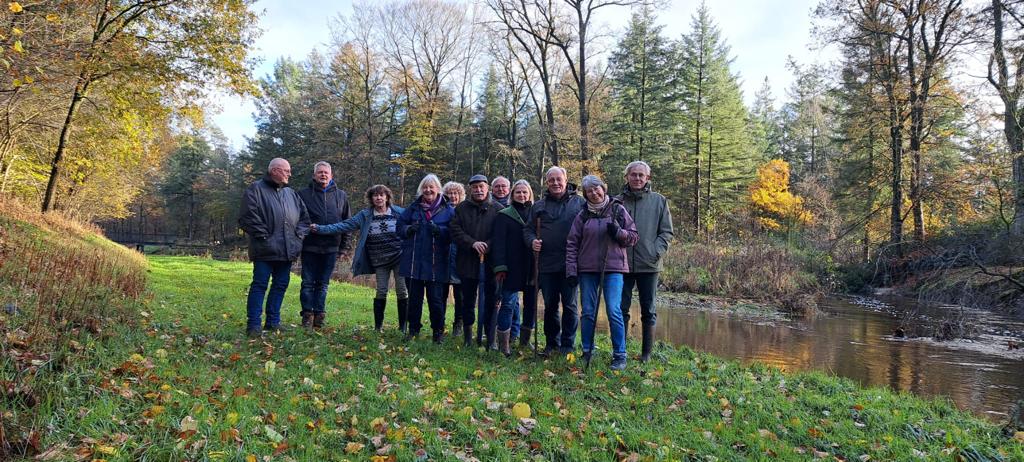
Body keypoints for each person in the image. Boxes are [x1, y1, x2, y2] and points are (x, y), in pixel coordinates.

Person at [310, 184, 408, 333]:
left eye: (382, 195)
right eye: (375, 195)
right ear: (371, 198)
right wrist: (320, 228)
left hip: (399, 258)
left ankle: (403, 327)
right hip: (380, 260)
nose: (379, 198)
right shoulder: (365, 215)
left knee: (402, 291)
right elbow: (343, 225)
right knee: (381, 291)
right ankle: (378, 327)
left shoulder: (399, 213)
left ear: (387, 197)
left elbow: (415, 223)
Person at [566, 175, 638, 371]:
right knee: (588, 311)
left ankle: (620, 355)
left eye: (596, 189)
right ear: (586, 194)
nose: (594, 193)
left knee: (614, 311)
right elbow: (572, 244)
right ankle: (587, 350)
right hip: (587, 270)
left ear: (603, 189)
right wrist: (571, 270)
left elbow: (633, 237)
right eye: (589, 191)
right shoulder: (582, 215)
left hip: (613, 269)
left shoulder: (617, 210)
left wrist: (618, 232)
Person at [237, 157, 310, 338]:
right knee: (260, 285)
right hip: (264, 250)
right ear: (275, 170)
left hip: (287, 251)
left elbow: (304, 219)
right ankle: (253, 325)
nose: (289, 174)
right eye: (286, 170)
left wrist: (298, 236)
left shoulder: (291, 194)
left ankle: (273, 322)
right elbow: (247, 217)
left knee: (280, 285)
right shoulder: (255, 189)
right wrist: (265, 237)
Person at [523, 166, 586, 356]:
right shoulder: (539, 206)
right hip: (547, 264)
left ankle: (568, 345)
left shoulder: (580, 204)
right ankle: (551, 343)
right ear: (547, 183)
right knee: (550, 306)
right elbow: (527, 230)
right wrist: (532, 241)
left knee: (570, 305)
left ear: (566, 180)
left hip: (571, 264)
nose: (556, 183)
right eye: (551, 180)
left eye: (559, 179)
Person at [616, 161, 674, 362]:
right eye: (634, 175)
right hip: (621, 265)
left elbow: (666, 232)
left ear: (648, 178)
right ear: (627, 177)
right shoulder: (617, 201)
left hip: (649, 265)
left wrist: (655, 253)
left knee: (648, 309)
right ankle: (620, 352)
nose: (637, 178)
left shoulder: (659, 201)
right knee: (620, 309)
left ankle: (646, 354)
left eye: (641, 175)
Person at [397, 174, 455, 343]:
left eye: (432, 187)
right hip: (413, 262)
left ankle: (438, 332)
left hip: (437, 264)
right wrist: (408, 229)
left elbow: (454, 233)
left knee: (436, 300)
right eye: (425, 187)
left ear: (438, 189)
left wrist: (441, 231)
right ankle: (413, 329)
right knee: (414, 300)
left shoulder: (448, 210)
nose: (428, 190)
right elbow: (399, 227)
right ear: (421, 190)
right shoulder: (413, 209)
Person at [450, 174, 503, 348]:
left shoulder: (498, 209)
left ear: (487, 188)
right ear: (470, 189)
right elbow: (455, 230)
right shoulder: (461, 208)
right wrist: (472, 243)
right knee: (467, 301)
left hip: (491, 264)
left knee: (491, 300)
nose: (478, 190)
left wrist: (488, 245)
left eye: (481, 186)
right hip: (467, 262)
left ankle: (490, 337)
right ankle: (468, 337)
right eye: (475, 187)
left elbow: (501, 234)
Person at [296, 161, 350, 329]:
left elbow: (347, 222)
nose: (323, 175)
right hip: (309, 247)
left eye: (326, 172)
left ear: (331, 176)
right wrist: (298, 243)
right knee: (307, 283)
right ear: (314, 175)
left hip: (331, 248)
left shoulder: (341, 196)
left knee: (323, 284)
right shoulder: (303, 194)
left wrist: (344, 247)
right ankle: (307, 315)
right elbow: (296, 221)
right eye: (320, 172)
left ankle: (319, 315)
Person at [491, 180, 537, 356]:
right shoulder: (504, 215)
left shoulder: (536, 214)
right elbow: (499, 244)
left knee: (531, 305)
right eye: (518, 192)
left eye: (525, 192)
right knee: (508, 304)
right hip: (511, 267)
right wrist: (500, 267)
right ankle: (505, 344)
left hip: (532, 267)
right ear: (513, 194)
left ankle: (525, 342)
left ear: (530, 194)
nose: (522, 195)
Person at [442, 182, 465, 337]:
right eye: (449, 193)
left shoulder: (465, 212)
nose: (452, 196)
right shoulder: (440, 211)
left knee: (460, 296)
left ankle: (458, 324)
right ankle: (439, 323)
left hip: (460, 260)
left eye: (455, 193)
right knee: (440, 295)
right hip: (442, 258)